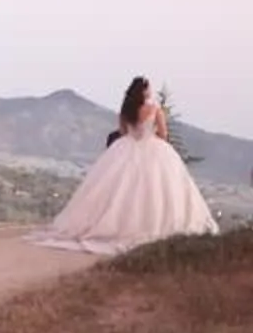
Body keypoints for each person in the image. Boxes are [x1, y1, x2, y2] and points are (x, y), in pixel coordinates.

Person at [36, 78, 218, 255]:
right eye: (148, 87)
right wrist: (152, 137)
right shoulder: (154, 109)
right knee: (156, 192)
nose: (151, 91)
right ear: (144, 91)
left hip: (126, 148)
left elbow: (123, 132)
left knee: (119, 189)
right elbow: (163, 134)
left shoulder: (126, 111)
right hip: (153, 149)